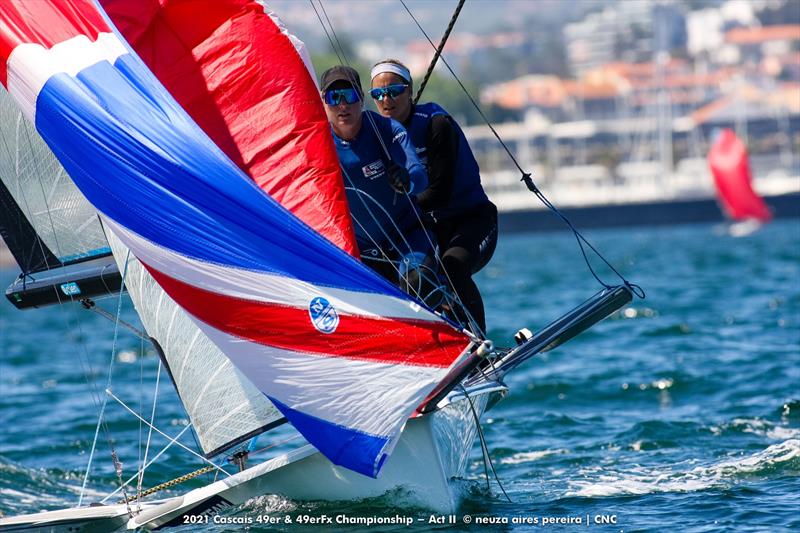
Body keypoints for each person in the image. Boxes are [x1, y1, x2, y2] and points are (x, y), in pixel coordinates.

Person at [369, 59, 498, 334]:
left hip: (472, 222)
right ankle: (441, 349)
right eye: (378, 94)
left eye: (394, 91)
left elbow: (439, 192)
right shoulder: (377, 136)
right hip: (429, 230)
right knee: (412, 279)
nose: (386, 100)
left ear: (410, 91)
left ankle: (480, 345)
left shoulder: (436, 125)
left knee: (452, 268)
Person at [320, 65, 437, 297]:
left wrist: (407, 180)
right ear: (323, 102)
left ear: (361, 99)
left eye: (349, 95)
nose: (343, 105)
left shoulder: (385, 128)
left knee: (419, 282)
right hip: (361, 253)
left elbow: (419, 175)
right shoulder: (317, 143)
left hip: (407, 239)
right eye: (334, 97)